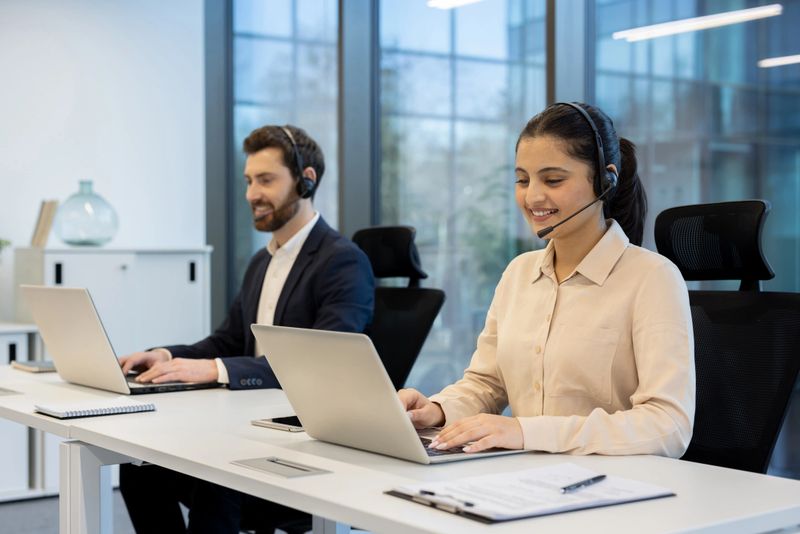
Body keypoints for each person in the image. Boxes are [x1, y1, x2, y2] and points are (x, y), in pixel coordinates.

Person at [399, 102, 695, 458]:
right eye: (522, 180)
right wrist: (438, 409)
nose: (533, 196)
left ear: (605, 180)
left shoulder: (652, 279)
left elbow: (668, 425)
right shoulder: (519, 273)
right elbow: (487, 383)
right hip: (527, 482)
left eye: (553, 180)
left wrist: (528, 432)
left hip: (610, 489)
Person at [118, 124, 375, 533]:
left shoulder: (342, 261)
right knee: (139, 471)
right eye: (249, 181)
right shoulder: (262, 261)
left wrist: (217, 370)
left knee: (216, 478)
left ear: (306, 182)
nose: (251, 194)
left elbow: (321, 366)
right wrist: (167, 355)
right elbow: (228, 340)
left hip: (302, 441)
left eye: (266, 180)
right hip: (249, 427)